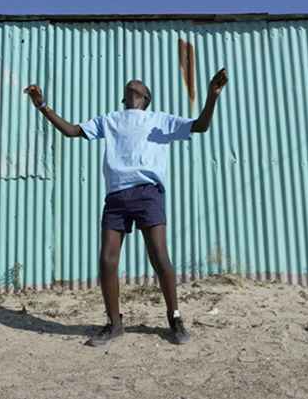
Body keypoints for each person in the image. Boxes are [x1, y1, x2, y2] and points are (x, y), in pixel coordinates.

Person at [23, 68, 228, 346]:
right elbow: (71, 131)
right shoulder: (110, 120)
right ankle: (114, 323)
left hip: (148, 193)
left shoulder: (160, 120)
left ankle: (175, 318)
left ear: (145, 97)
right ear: (126, 98)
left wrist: (212, 96)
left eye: (138, 87)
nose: (133, 85)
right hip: (117, 196)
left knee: (159, 257)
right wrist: (42, 106)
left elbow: (200, 125)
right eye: (129, 88)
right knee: (107, 261)